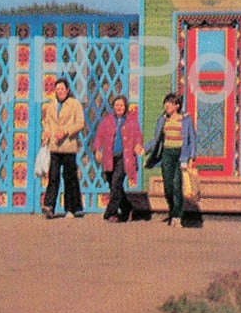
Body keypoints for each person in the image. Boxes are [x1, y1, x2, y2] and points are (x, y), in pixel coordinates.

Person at [145, 92, 197, 227]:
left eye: (170, 103)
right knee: (168, 186)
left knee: (177, 185)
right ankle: (172, 210)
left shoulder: (185, 119)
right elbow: (156, 139)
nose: (167, 105)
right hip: (167, 154)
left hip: (181, 155)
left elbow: (192, 139)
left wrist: (191, 157)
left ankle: (177, 216)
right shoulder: (163, 120)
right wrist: (144, 149)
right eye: (166, 102)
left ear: (177, 105)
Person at [92, 94, 144, 223]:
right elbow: (99, 136)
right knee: (114, 185)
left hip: (124, 156)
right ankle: (127, 208)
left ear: (125, 106)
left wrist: (138, 145)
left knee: (116, 181)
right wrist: (97, 150)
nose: (119, 107)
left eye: (121, 105)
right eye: (116, 105)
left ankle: (111, 213)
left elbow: (138, 136)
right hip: (109, 157)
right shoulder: (107, 120)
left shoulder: (131, 121)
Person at [40, 78, 85, 219]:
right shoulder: (51, 104)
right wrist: (46, 134)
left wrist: (66, 131)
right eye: (57, 89)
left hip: (68, 146)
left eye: (62, 89)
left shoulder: (74, 104)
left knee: (69, 177)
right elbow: (47, 122)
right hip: (54, 146)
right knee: (53, 176)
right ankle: (49, 206)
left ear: (67, 90)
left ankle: (72, 208)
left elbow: (80, 123)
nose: (60, 92)